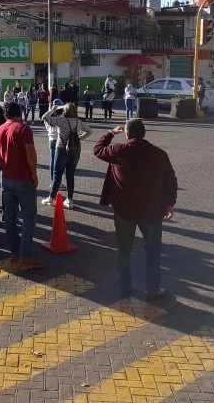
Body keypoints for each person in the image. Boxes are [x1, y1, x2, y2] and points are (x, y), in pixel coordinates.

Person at [93, 119, 178, 299]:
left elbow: (97, 149)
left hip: (125, 211)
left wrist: (110, 133)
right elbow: (171, 179)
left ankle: (125, 288)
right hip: (152, 211)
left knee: (124, 250)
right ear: (144, 133)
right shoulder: (159, 154)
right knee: (153, 251)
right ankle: (153, 289)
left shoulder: (119, 151)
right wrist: (170, 203)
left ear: (127, 134)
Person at [0, 102, 44, 270]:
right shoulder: (23, 129)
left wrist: (4, 165)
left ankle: (15, 251)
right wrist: (34, 173)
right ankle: (25, 256)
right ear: (18, 114)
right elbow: (30, 152)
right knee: (28, 217)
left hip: (6, 178)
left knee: (10, 216)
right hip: (23, 178)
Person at [41, 102, 92, 209]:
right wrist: (79, 138)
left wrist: (53, 110)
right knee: (70, 175)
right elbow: (89, 131)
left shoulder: (62, 120)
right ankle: (69, 200)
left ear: (65, 110)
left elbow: (44, 117)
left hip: (62, 149)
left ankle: (51, 197)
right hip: (75, 151)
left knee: (57, 174)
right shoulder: (78, 122)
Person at [43, 99, 63, 185]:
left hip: (51, 139)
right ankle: (56, 181)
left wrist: (51, 110)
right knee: (58, 162)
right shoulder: (61, 117)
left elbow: (44, 119)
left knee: (53, 161)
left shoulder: (48, 117)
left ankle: (53, 180)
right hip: (58, 140)